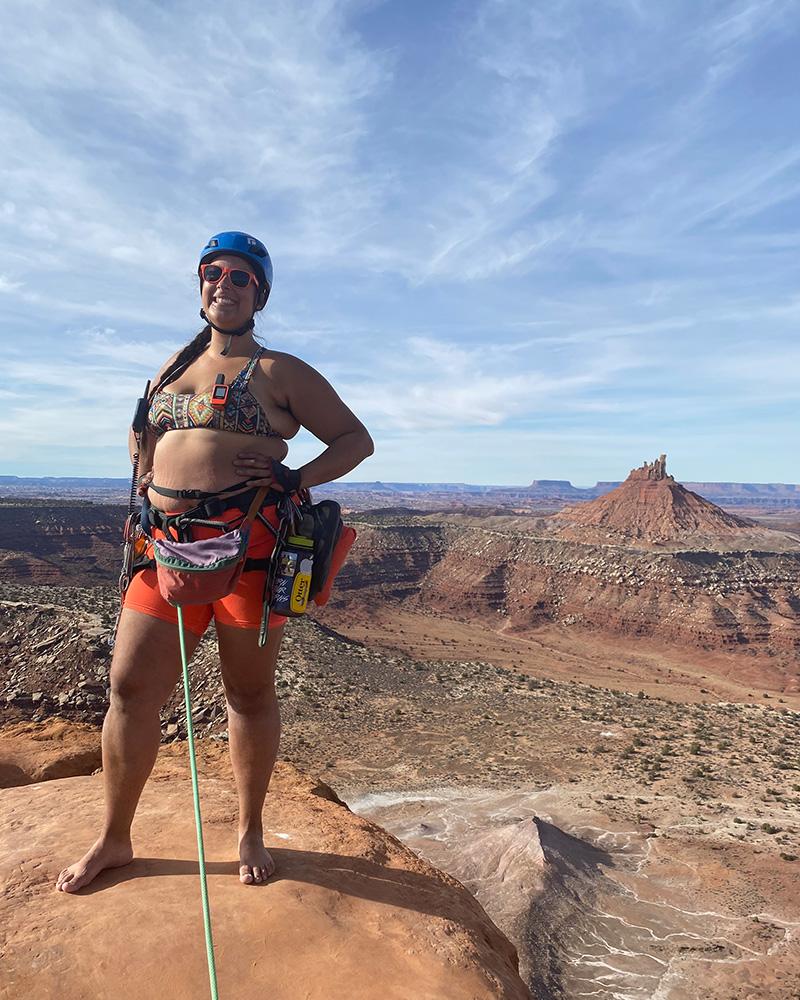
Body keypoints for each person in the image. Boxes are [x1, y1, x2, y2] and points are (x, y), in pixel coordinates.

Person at [56, 231, 374, 892]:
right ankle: (115, 838)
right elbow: (143, 433)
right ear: (200, 283)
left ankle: (249, 830)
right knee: (130, 689)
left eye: (239, 278)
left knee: (248, 694)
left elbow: (355, 440)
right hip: (164, 550)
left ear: (259, 292)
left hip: (249, 553)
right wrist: (143, 483)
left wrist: (296, 478)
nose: (223, 286)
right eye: (212, 273)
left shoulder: (279, 371)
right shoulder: (173, 364)